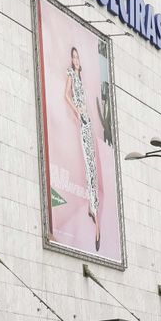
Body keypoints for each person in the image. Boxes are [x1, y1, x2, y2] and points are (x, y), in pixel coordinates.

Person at [62, 45, 105, 249]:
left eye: (78, 57)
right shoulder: (71, 73)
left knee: (94, 169)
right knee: (90, 168)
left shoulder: (81, 75)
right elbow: (66, 95)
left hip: (89, 123)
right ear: (71, 61)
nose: (76, 60)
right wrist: (77, 112)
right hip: (83, 122)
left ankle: (92, 208)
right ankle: (96, 223)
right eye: (74, 57)